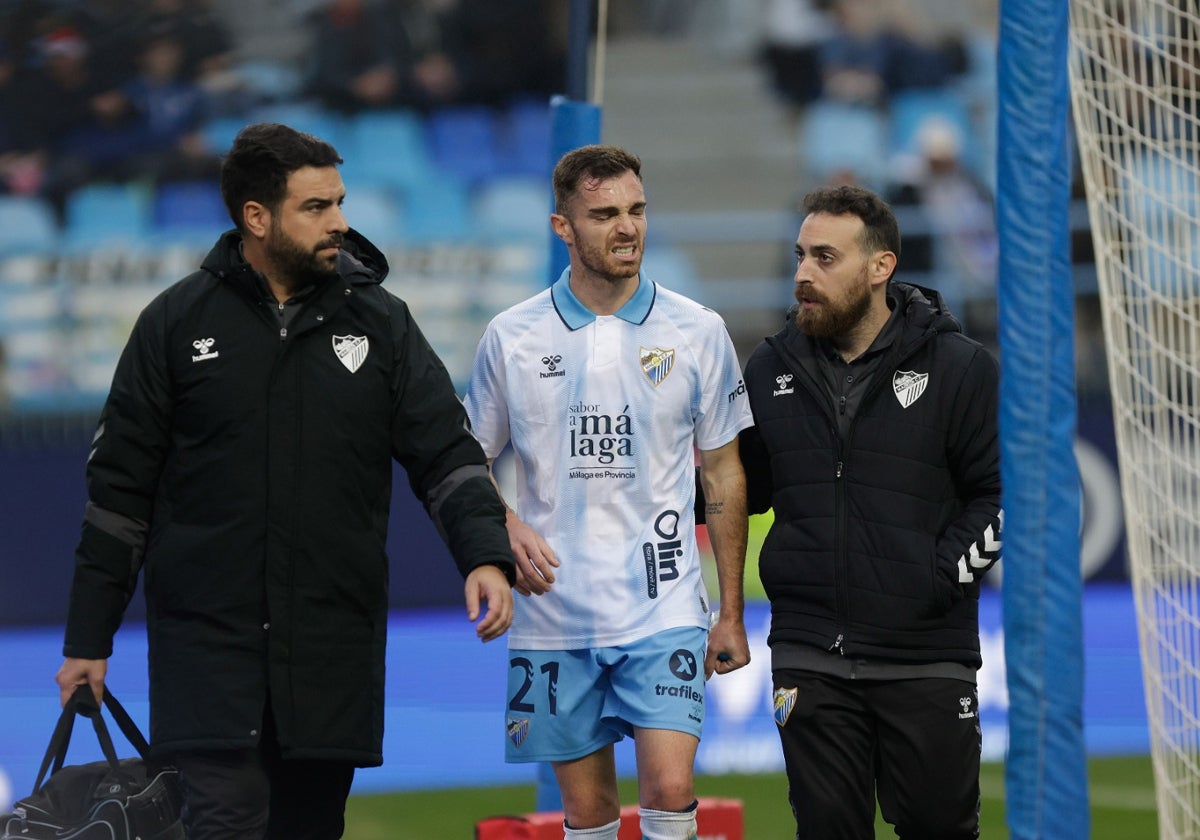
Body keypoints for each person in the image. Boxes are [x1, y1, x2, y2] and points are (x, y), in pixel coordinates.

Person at [54, 122, 516, 840]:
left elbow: (447, 456)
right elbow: (119, 497)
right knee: (224, 821)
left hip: (330, 647)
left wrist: (483, 555)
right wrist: (88, 639)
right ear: (256, 217)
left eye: (338, 202)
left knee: (308, 827)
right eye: (317, 207)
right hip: (206, 652)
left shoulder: (383, 325)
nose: (340, 222)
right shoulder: (174, 325)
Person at [463, 144, 753, 840]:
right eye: (604, 215)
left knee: (671, 786)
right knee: (588, 815)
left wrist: (732, 611)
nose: (627, 229)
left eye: (636, 210)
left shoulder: (699, 331)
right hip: (552, 611)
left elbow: (723, 472)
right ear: (562, 227)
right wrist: (501, 524)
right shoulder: (512, 337)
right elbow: (463, 458)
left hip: (665, 605)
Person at [739, 184, 1001, 838]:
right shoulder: (770, 366)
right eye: (800, 255)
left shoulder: (961, 368)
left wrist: (937, 580)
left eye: (825, 257)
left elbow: (1003, 496)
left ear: (879, 267)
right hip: (809, 658)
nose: (803, 273)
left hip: (926, 657)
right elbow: (740, 487)